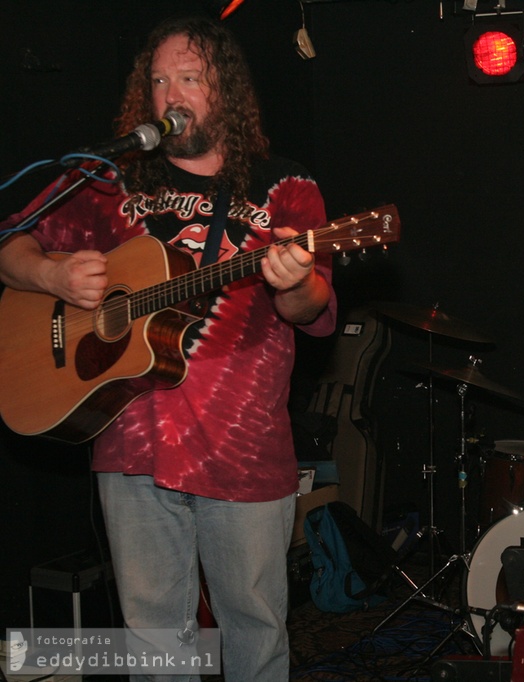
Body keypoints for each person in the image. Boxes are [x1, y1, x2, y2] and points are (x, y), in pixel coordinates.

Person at [0, 16, 336, 681]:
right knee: (154, 645)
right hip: (129, 443)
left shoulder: (284, 186)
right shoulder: (105, 181)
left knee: (256, 636)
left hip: (241, 450)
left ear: (226, 91)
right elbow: (12, 246)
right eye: (158, 80)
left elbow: (313, 309)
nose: (170, 94)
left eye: (189, 77)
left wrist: (293, 283)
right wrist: (52, 275)